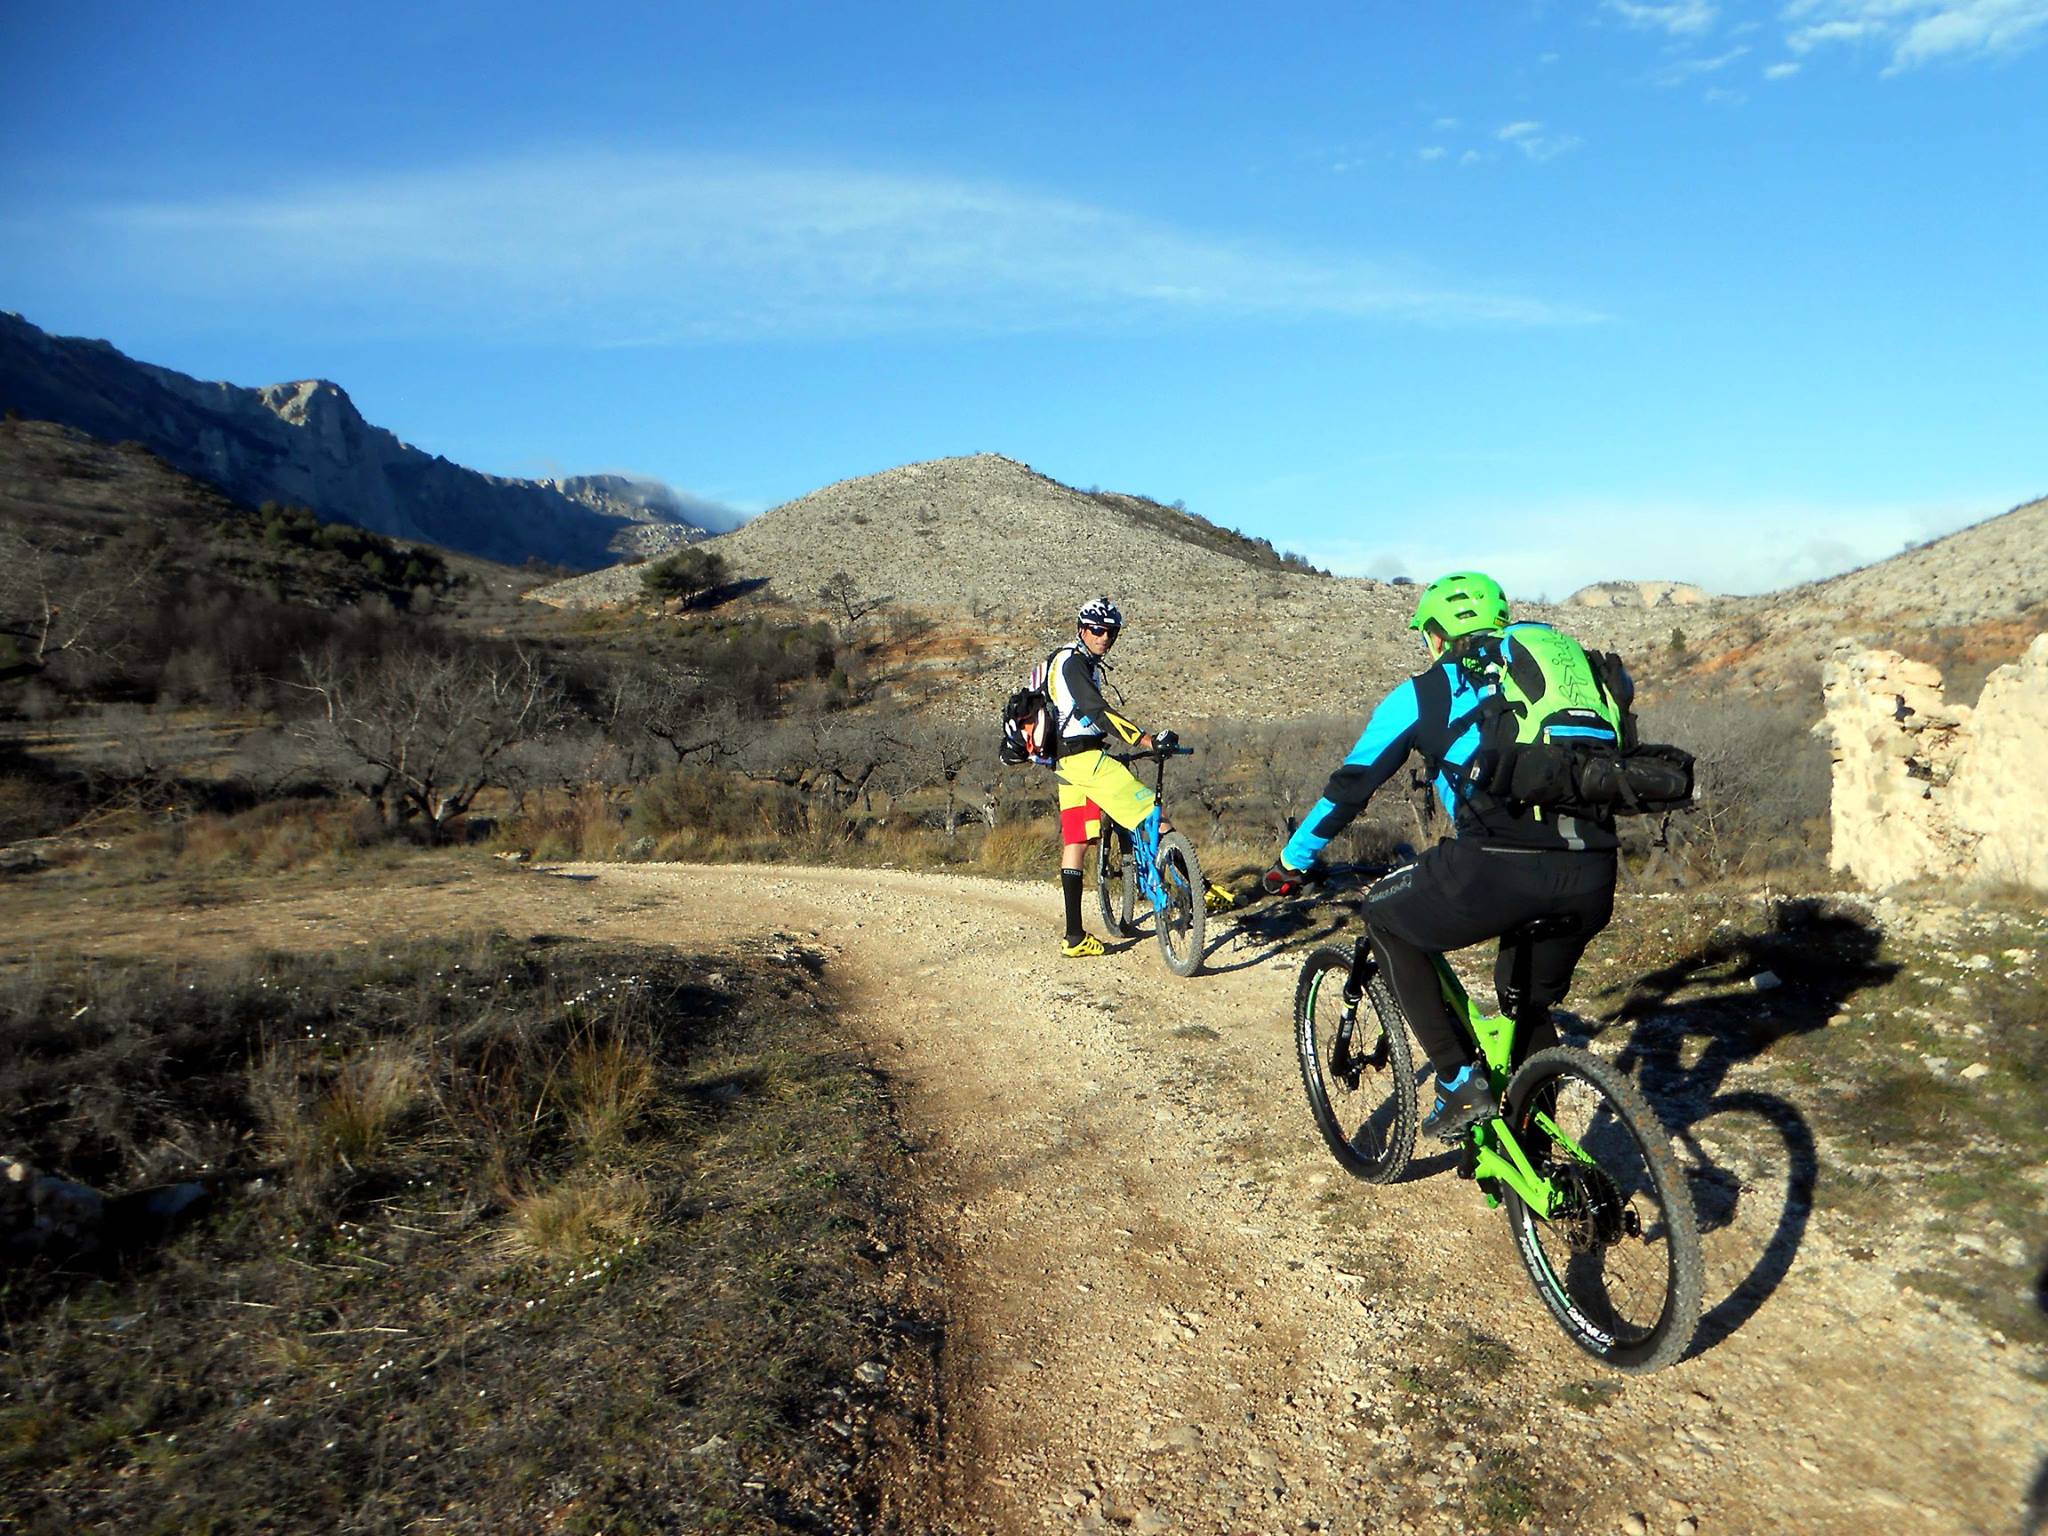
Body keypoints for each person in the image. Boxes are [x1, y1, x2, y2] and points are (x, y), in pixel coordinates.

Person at [1262, 571, 1629, 1138]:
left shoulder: (1425, 692)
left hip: (1496, 865)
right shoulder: (1560, 680)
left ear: (1435, 636)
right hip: (1593, 870)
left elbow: (1352, 786)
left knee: (1385, 917)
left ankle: (1457, 1081)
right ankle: (1540, 1166)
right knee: (1525, 1010)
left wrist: (1294, 859)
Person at [1049, 597, 1232, 957]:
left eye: (1111, 633)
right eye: (1098, 631)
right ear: (1082, 629)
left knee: (1077, 843)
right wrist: (1144, 739)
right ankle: (1200, 891)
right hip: (1086, 761)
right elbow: (1097, 712)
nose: (1104, 638)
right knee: (1156, 816)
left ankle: (1074, 938)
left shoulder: (1067, 659)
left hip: (1066, 764)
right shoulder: (1074, 664)